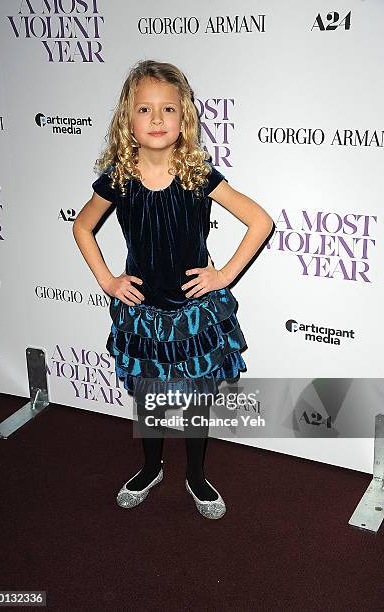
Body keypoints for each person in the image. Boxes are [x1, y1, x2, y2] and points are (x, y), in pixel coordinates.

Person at [72, 59, 274, 519]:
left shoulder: (199, 176)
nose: (157, 119)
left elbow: (260, 221)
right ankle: (150, 467)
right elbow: (83, 228)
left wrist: (223, 275)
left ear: (184, 118)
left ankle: (196, 474)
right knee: (150, 396)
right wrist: (108, 281)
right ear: (128, 118)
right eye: (145, 109)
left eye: (168, 109)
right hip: (143, 311)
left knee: (198, 400)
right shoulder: (118, 182)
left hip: (194, 311)